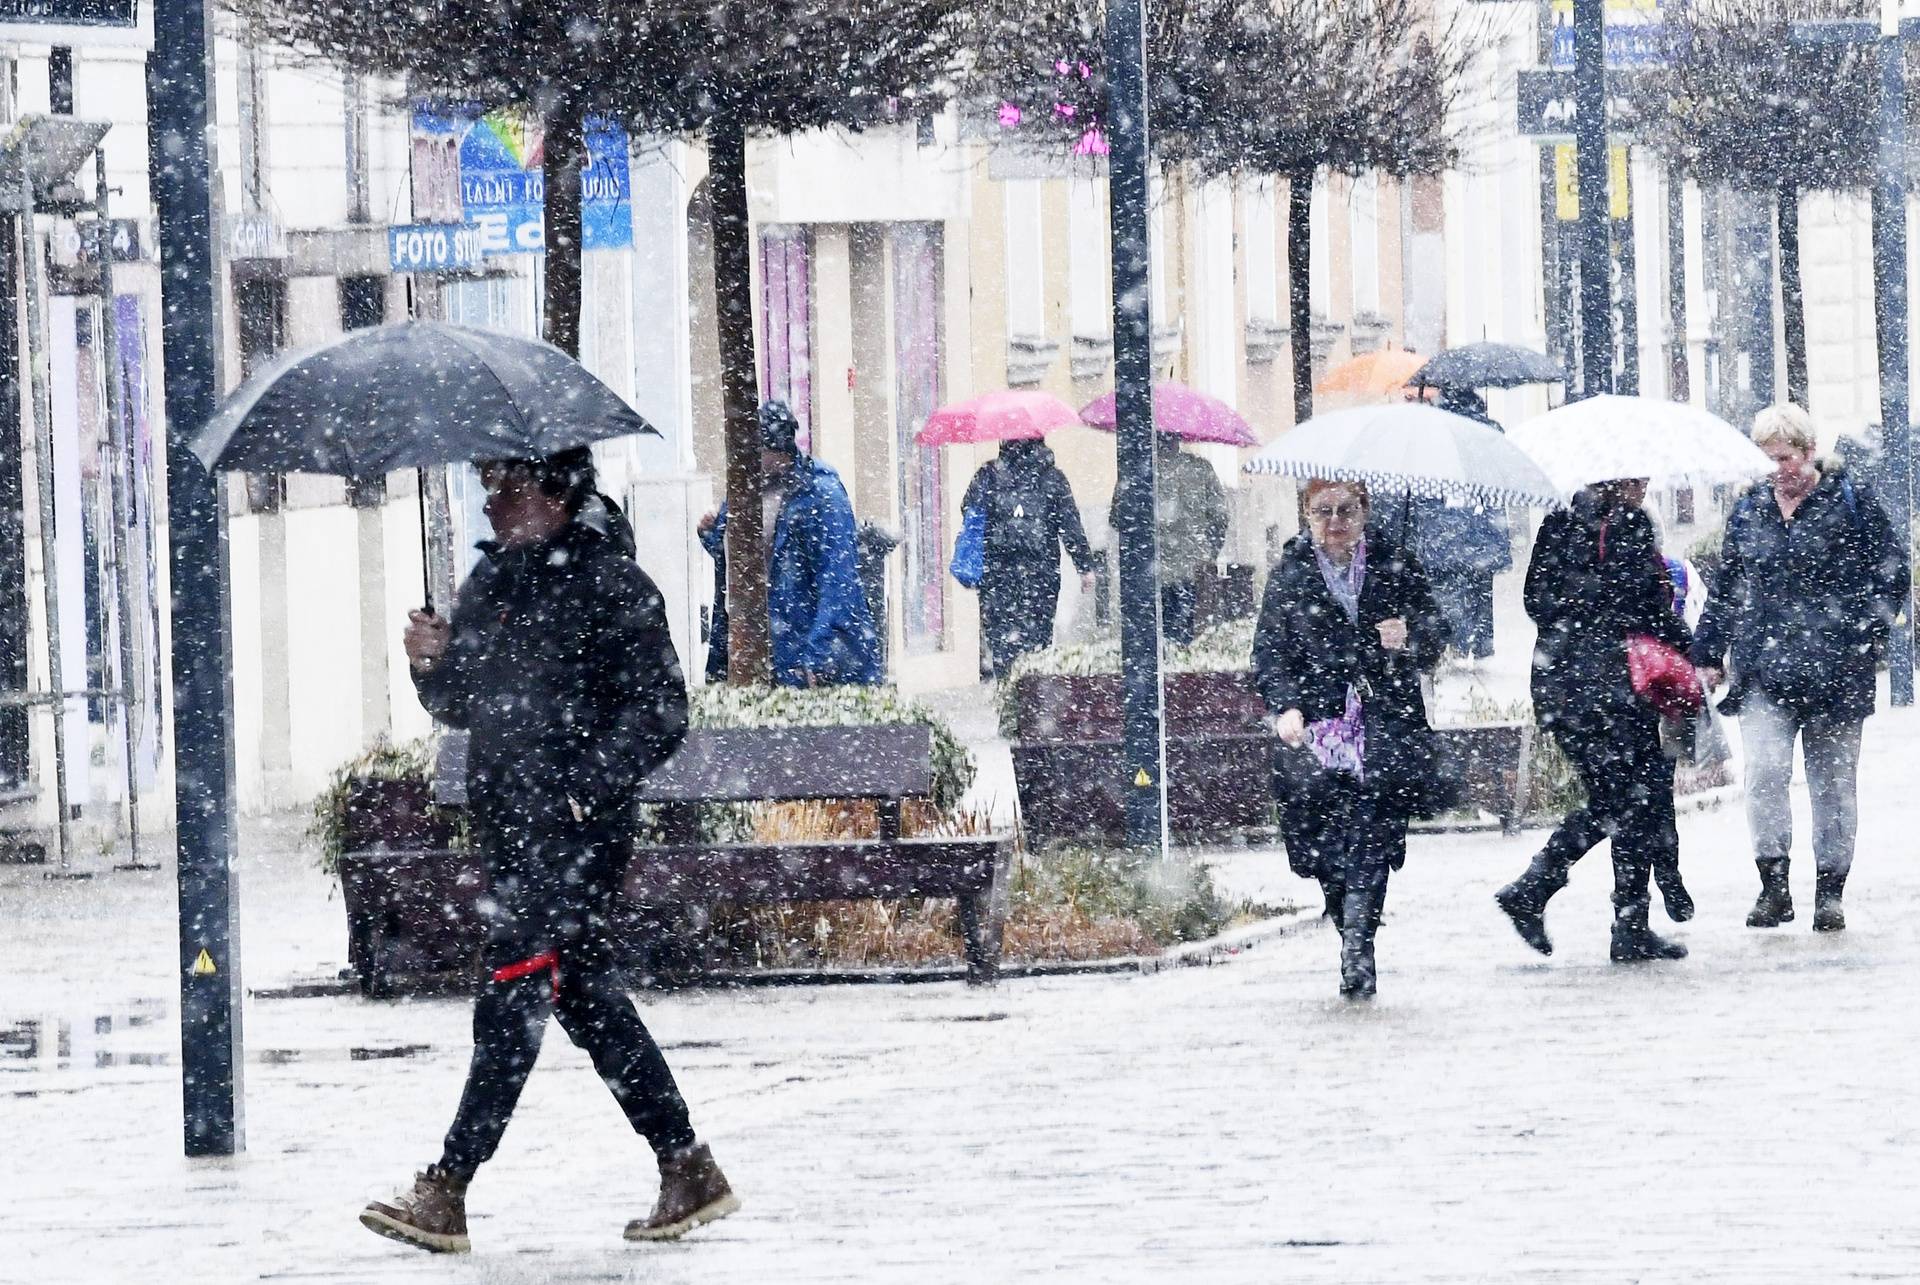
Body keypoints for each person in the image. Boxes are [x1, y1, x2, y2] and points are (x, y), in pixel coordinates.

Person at [365, 447, 738, 1254]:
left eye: (503, 483)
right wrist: (430, 663)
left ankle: (448, 1185)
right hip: (511, 828)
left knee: (513, 987)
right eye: (484, 483)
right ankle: (686, 1161)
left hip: (577, 836)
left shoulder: (612, 585)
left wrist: (583, 786)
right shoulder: (494, 582)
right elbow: (466, 701)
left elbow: (661, 710)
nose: (490, 501)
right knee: (584, 994)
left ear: (550, 490)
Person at [1691, 404, 1908, 932]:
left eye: (1784, 457)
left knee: (1833, 785)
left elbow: (1892, 572)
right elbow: (1728, 586)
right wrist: (1707, 651)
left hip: (1837, 671)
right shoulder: (1749, 510)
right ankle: (1774, 887)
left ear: (1809, 453)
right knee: (1764, 776)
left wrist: (1862, 635)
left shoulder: (1850, 502)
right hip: (1764, 670)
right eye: (1765, 459)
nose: (1775, 469)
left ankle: (1830, 892)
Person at [1252, 478, 1447, 999]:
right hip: (1317, 730)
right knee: (1321, 844)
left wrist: (1409, 635)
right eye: (1322, 512)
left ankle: (1358, 950)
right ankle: (1345, 915)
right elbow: (1269, 653)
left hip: (1385, 725)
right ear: (1306, 516)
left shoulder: (1394, 563)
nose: (1335, 521)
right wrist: (1286, 705)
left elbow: (1436, 631)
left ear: (1364, 511)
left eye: (1345, 509)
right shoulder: (1291, 575)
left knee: (1373, 838)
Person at [1494, 477, 1693, 964]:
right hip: (1598, 690)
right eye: (1637, 476)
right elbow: (1547, 603)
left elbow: (1543, 600)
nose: (1645, 484)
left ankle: (1630, 922)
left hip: (1586, 688)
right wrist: (1688, 645)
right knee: (1622, 799)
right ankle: (1537, 886)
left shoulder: (1571, 523)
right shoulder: (1595, 526)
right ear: (1614, 477)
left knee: (1635, 798)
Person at [698, 401, 883, 686]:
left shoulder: (820, 494)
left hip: (796, 642)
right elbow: (740, 559)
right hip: (754, 640)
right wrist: (712, 535)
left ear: (775, 450)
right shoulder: (745, 490)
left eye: (754, 452)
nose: (746, 461)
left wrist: (819, 653)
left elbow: (838, 578)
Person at [961, 436, 1096, 678]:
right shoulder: (1053, 478)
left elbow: (969, 511)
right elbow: (1070, 525)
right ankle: (1034, 699)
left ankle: (1008, 694)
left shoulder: (988, 474)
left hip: (997, 577)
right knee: (1037, 643)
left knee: (1002, 644)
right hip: (1041, 576)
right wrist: (1085, 567)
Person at [1108, 432, 1230, 645]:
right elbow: (1220, 517)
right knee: (1191, 636)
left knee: (1152, 639)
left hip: (1151, 570)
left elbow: (1118, 518)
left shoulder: (1135, 470)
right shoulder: (1200, 469)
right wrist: (1209, 550)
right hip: (1193, 568)